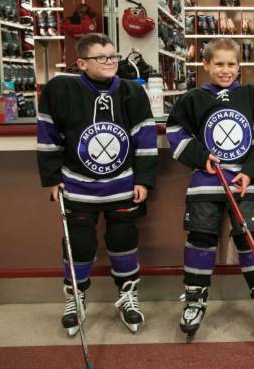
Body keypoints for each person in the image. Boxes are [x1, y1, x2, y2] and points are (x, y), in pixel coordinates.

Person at [36, 33, 158, 335]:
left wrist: (144, 178)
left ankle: (128, 295)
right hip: (77, 185)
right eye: (101, 57)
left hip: (122, 185)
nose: (110, 62)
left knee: (123, 241)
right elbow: (48, 134)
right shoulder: (61, 90)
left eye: (113, 56)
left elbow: (145, 137)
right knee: (79, 244)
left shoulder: (131, 91)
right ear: (81, 63)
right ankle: (75, 297)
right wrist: (52, 178)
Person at [166, 38, 254, 338]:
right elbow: (174, 132)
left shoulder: (252, 96)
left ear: (240, 66)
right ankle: (195, 297)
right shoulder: (193, 99)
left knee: (252, 240)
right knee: (201, 240)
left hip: (244, 186)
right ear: (205, 65)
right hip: (206, 184)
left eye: (231, 64)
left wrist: (250, 172)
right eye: (219, 64)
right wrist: (201, 158)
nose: (225, 70)